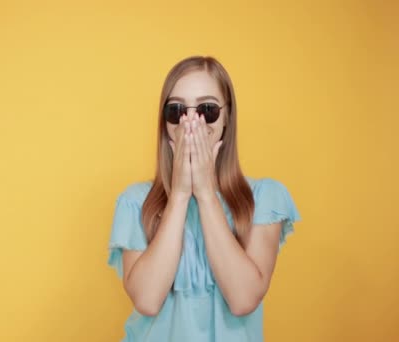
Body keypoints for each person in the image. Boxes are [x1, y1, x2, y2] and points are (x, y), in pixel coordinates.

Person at [107, 55, 301, 341]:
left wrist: (207, 193)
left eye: (207, 109)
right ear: (165, 124)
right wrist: (180, 195)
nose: (191, 122)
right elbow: (147, 301)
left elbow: (243, 298)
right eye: (177, 110)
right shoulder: (135, 201)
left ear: (227, 118)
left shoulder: (265, 198)